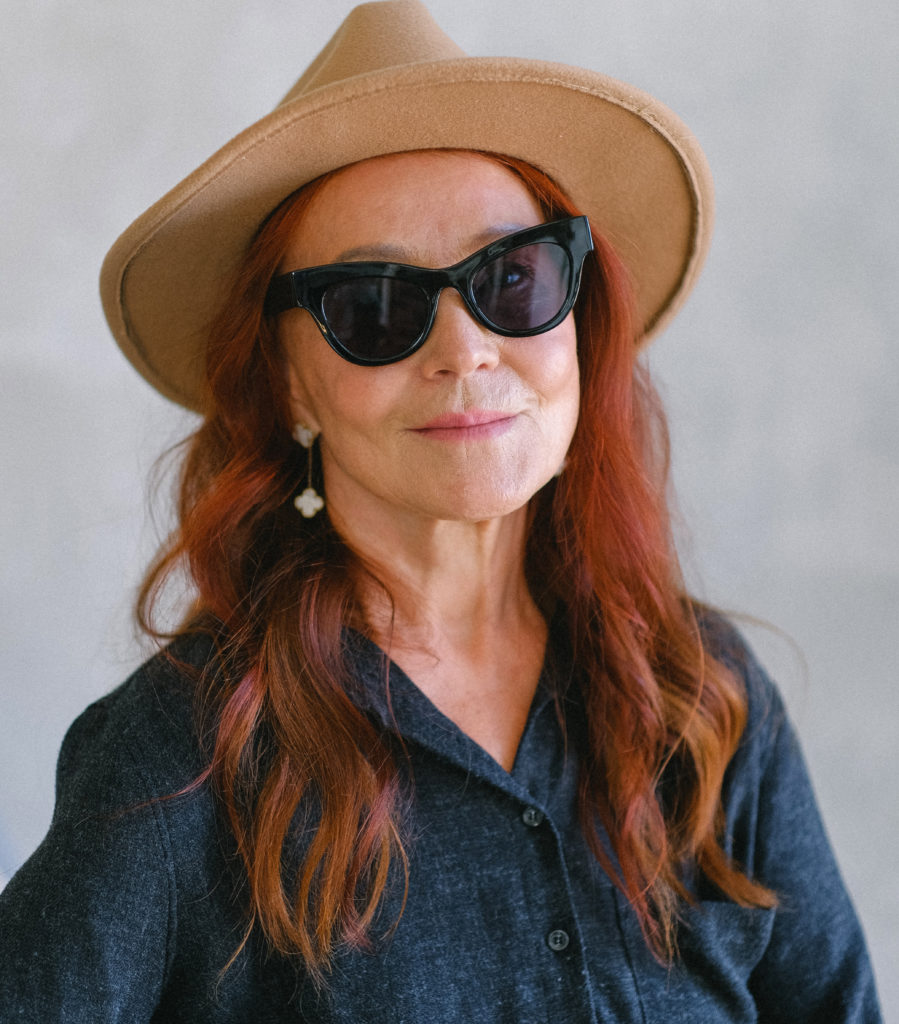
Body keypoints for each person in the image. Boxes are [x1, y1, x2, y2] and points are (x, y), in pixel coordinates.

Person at [0, 1, 882, 1020]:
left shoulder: (703, 700)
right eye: (374, 304)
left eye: (512, 278)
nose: (464, 350)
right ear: (287, 385)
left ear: (578, 330)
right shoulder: (184, 753)